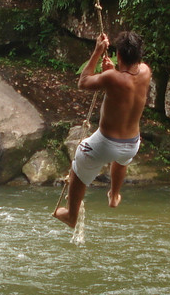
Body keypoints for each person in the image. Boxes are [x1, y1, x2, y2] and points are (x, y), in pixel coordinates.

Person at [54, 30, 151, 229]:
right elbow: (124, 84)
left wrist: (98, 52)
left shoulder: (112, 78)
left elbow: (83, 82)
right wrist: (113, 70)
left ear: (120, 54)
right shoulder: (145, 71)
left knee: (79, 164)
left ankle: (71, 216)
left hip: (105, 144)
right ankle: (114, 195)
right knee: (122, 159)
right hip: (132, 143)